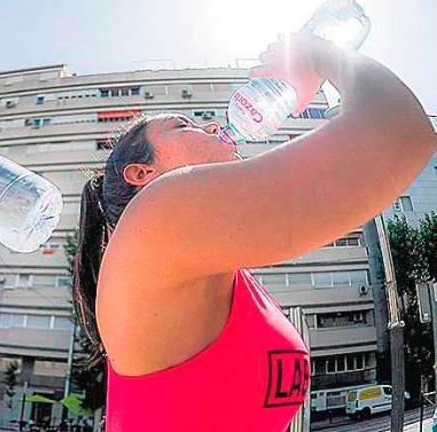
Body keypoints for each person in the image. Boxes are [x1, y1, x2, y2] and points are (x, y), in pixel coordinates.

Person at [71, 33, 436, 432]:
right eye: (184, 126)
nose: (211, 124)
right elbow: (399, 131)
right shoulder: (158, 213)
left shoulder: (214, 266)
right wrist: (315, 51)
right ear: (143, 173)